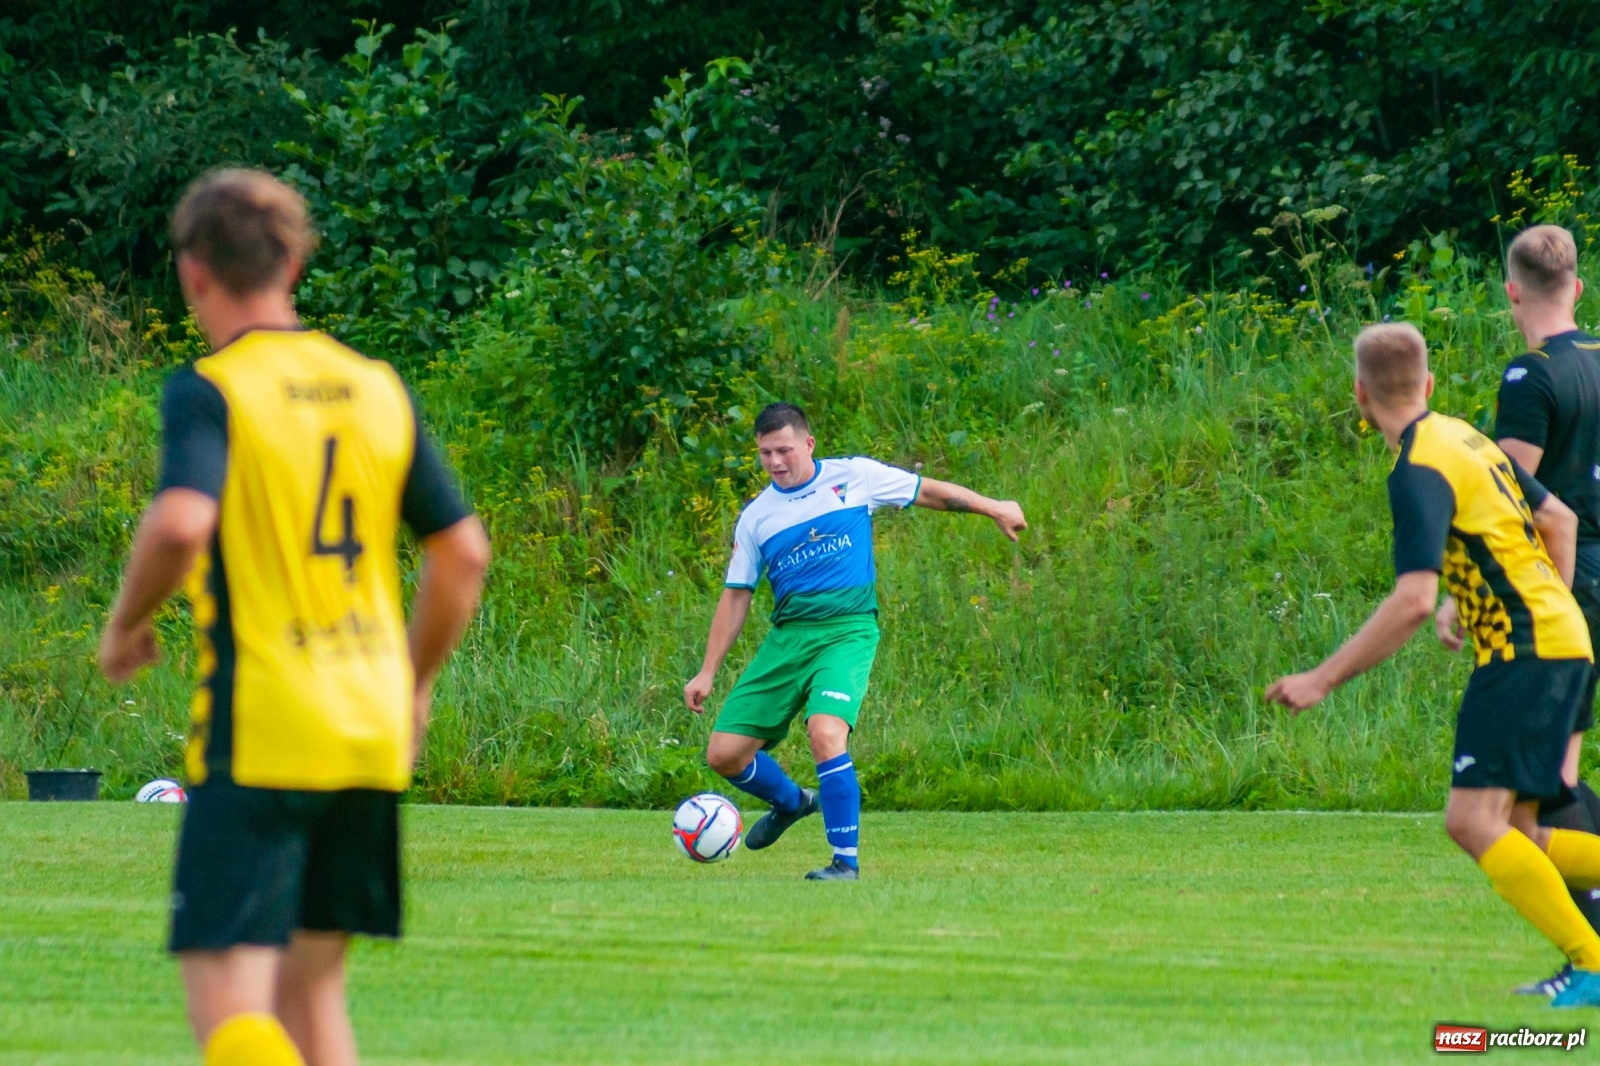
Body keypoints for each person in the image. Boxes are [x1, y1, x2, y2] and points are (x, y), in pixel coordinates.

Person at [98, 169, 491, 1066]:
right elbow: (463, 553)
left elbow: (181, 520)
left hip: (264, 727)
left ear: (194, 273)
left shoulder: (213, 388)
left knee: (232, 1007)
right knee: (311, 998)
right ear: (298, 258)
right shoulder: (375, 386)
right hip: (367, 732)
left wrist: (125, 625)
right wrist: (415, 684)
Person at [1266, 322, 1600, 1008]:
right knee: (1527, 831)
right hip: (1560, 637)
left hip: (1527, 651)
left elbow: (1413, 600)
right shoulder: (1464, 436)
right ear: (1429, 384)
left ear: (1358, 393)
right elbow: (1559, 520)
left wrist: (1321, 678)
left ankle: (1592, 964)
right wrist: (1542, 607)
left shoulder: (1418, 467)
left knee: (1472, 822)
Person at [683, 402, 1026, 880]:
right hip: (789, 639)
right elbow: (737, 595)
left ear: (808, 444)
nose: (776, 462)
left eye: (784, 450)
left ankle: (845, 863)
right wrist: (708, 670)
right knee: (724, 754)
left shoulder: (855, 477)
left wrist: (994, 507)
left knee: (825, 733)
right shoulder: (757, 517)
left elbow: (927, 492)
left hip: (846, 630)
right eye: (764, 454)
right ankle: (793, 802)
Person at [1486, 223, 1600, 996]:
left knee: (1548, 788)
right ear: (1580, 288)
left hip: (1571, 585)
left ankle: (1588, 961)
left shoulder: (1530, 378)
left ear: (1511, 292)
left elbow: (1515, 506)